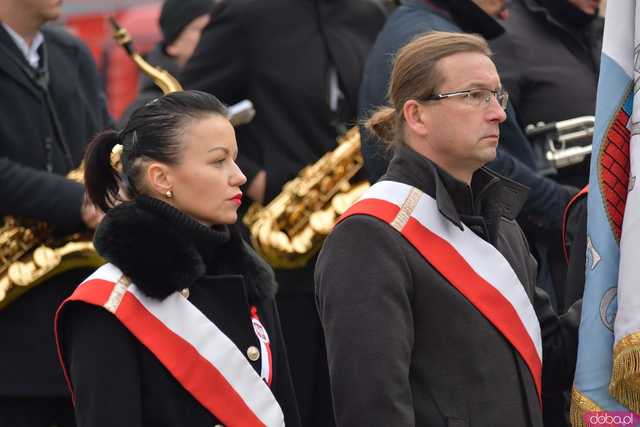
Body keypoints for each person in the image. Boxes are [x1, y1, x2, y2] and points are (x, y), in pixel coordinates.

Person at [315, 32, 580, 426]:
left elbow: (548, 359)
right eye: (474, 95)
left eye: (497, 95)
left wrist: (622, 293)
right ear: (416, 115)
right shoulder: (371, 236)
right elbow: (373, 410)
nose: (498, 114)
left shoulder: (501, 225)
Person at [180, 2, 387, 424]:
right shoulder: (246, 14)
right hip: (278, 242)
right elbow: (188, 113)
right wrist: (256, 178)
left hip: (356, 235)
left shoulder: (369, 13)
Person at [55, 91, 301, 427]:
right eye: (218, 161)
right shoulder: (107, 305)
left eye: (235, 158)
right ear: (161, 178)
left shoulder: (248, 276)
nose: (239, 176)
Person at [0, 0, 111, 425]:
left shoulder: (71, 52)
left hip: (76, 319)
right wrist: (78, 201)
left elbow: (105, 143)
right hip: (12, 335)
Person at [490, 0, 603, 188]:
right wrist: (555, 203)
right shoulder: (503, 34)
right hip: (559, 207)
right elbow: (493, 152)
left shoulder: (606, 30)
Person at [118, 0, 219, 126]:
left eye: (215, 28)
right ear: (173, 44)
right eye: (202, 29)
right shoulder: (148, 110)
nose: (214, 36)